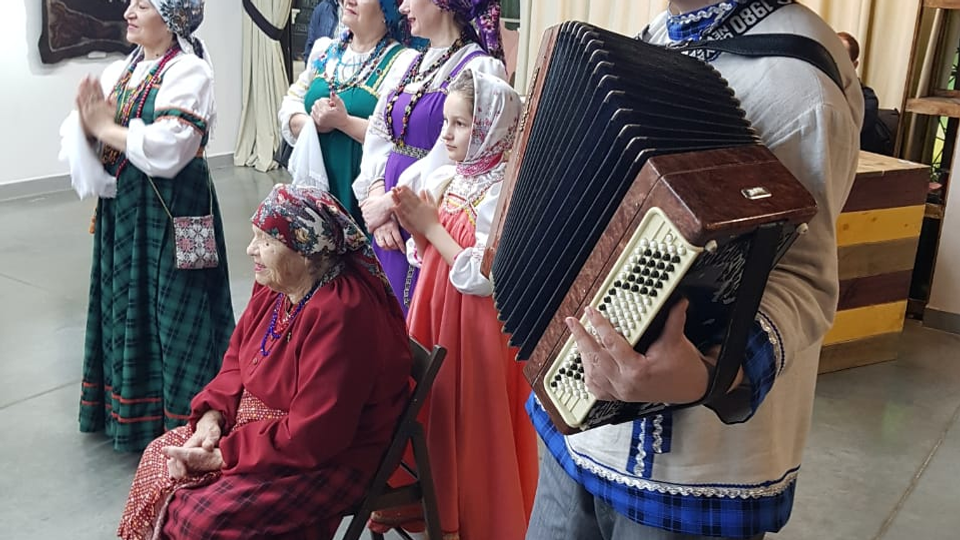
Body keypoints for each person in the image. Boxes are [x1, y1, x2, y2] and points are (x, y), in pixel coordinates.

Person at [524, 1, 864, 539]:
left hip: (688, 474)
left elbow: (806, 278)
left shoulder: (799, 83)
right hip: (573, 423)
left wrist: (712, 371)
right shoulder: (657, 36)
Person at [116, 184, 413, 540]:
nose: (250, 249)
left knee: (205, 518)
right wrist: (212, 419)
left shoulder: (341, 312)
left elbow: (316, 435)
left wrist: (221, 456)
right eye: (255, 235)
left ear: (306, 252)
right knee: (156, 459)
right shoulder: (277, 285)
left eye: (266, 241)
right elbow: (236, 361)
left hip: (330, 454)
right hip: (265, 433)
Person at [70, 0, 234, 453]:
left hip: (178, 212)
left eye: (143, 4)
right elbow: (96, 135)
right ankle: (131, 412)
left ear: (173, 17)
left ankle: (188, 417)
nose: (129, 11)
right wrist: (88, 126)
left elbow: (170, 148)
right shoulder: (125, 70)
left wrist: (104, 127)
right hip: (127, 211)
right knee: (130, 300)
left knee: (181, 300)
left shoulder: (189, 72)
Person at [381, 68, 536, 539]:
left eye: (461, 124)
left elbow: (482, 276)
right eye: (446, 122)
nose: (446, 134)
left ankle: (473, 516)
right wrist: (419, 228)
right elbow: (430, 254)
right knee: (437, 406)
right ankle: (433, 504)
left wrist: (430, 226)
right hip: (436, 309)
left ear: (491, 127)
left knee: (473, 416)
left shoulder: (502, 194)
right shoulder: (450, 176)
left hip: (476, 325)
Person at [353, 0, 507, 316]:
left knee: (413, 317)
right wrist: (377, 194)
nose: (402, 7)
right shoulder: (411, 62)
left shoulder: (479, 68)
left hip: (428, 217)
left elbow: (453, 160)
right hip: (390, 216)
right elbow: (379, 132)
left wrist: (391, 204)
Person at [279, 0, 417, 228]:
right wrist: (314, 124)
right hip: (316, 198)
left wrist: (343, 123)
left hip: (362, 194)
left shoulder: (403, 62)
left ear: (387, 10)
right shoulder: (325, 50)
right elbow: (290, 105)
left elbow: (399, 138)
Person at [837, 31, 891, 155]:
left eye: (841, 59)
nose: (834, 62)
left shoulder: (867, 100)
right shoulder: (814, 91)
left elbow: (846, 133)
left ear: (854, 65)